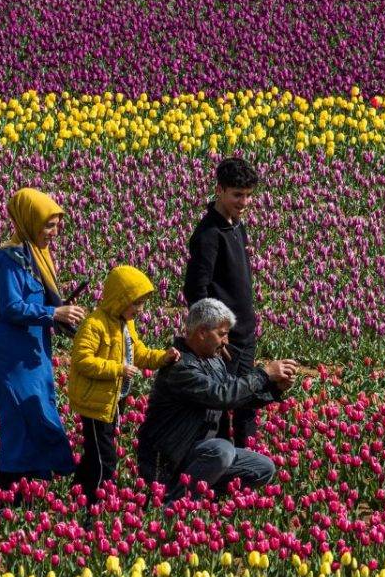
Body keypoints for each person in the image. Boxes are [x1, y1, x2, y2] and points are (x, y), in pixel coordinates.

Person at [138, 299, 301, 503]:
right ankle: (174, 506)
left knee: (262, 468)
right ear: (202, 332)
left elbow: (237, 397)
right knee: (221, 450)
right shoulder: (179, 367)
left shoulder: (214, 361)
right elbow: (221, 395)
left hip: (203, 453)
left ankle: (205, 499)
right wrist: (263, 374)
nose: (226, 342)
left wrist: (274, 388)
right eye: (222, 334)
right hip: (170, 458)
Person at [0, 187, 85, 499]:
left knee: (42, 412)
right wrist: (53, 312)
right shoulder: (8, 260)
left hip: (35, 352)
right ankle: (4, 492)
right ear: (28, 221)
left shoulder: (37, 256)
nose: (54, 233)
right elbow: (11, 307)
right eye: (49, 225)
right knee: (21, 418)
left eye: (57, 225)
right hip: (11, 355)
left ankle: (30, 490)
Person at [67, 265, 180, 511]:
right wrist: (118, 368)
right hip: (95, 403)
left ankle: (77, 495)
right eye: (136, 304)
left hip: (112, 400)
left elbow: (137, 352)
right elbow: (81, 360)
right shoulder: (95, 324)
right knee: (104, 457)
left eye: (142, 304)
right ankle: (96, 505)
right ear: (120, 299)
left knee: (93, 453)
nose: (140, 310)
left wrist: (163, 357)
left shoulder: (124, 323)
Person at [182, 156, 261, 447]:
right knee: (220, 405)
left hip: (245, 333)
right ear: (220, 190)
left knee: (247, 403)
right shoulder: (208, 235)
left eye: (248, 195)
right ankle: (223, 468)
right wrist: (213, 335)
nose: (244, 202)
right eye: (237, 194)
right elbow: (196, 290)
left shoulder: (236, 227)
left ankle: (244, 466)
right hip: (224, 340)